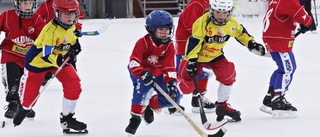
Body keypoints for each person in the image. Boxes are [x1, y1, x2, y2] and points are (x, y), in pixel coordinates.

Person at [178, 0, 266, 122]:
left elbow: (241, 33)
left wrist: (252, 43)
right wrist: (192, 61)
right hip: (197, 57)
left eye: (224, 12)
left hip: (215, 55)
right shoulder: (203, 22)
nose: (220, 16)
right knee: (186, 87)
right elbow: (194, 41)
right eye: (217, 12)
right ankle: (172, 90)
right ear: (211, 10)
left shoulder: (231, 23)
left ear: (229, 12)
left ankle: (222, 106)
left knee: (228, 73)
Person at [13, 0, 88, 134]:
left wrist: (75, 47)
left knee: (74, 84)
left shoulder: (71, 26)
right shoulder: (49, 30)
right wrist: (61, 58)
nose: (70, 17)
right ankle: (23, 107)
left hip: (58, 61)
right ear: (57, 14)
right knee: (29, 101)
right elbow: (46, 55)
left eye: (73, 14)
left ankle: (67, 118)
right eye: (66, 14)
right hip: (38, 63)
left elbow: (70, 39)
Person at [125, 10, 181, 135]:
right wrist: (142, 73)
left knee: (175, 97)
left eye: (167, 29)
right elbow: (133, 62)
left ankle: (150, 105)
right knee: (141, 90)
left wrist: (171, 82)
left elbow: (169, 66)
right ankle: (135, 119)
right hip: (140, 71)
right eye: (161, 30)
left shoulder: (169, 46)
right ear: (151, 29)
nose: (165, 33)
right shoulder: (142, 42)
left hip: (157, 71)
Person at [260, 0, 312, 118]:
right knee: (288, 69)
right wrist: (308, 21)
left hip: (273, 37)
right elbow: (302, 16)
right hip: (279, 39)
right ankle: (278, 100)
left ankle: (270, 96)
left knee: (282, 68)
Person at [0, 0, 45, 120]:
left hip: (29, 57)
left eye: (30, 3)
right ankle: (13, 104)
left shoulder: (37, 19)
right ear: (18, 4)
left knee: (26, 82)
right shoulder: (7, 16)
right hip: (10, 54)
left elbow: (44, 37)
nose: (27, 6)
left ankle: (24, 106)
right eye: (24, 3)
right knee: (12, 80)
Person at [173, 0, 214, 115]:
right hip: (188, 45)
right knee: (184, 73)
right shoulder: (196, 4)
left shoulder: (208, 4)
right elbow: (193, 27)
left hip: (202, 45)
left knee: (203, 71)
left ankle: (198, 98)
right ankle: (172, 100)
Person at [36, 0, 84, 86]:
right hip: (52, 39)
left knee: (70, 55)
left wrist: (78, 28)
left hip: (67, 37)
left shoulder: (71, 3)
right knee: (50, 57)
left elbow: (79, 16)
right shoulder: (47, 5)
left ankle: (71, 74)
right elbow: (38, 18)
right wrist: (43, 31)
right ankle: (46, 76)